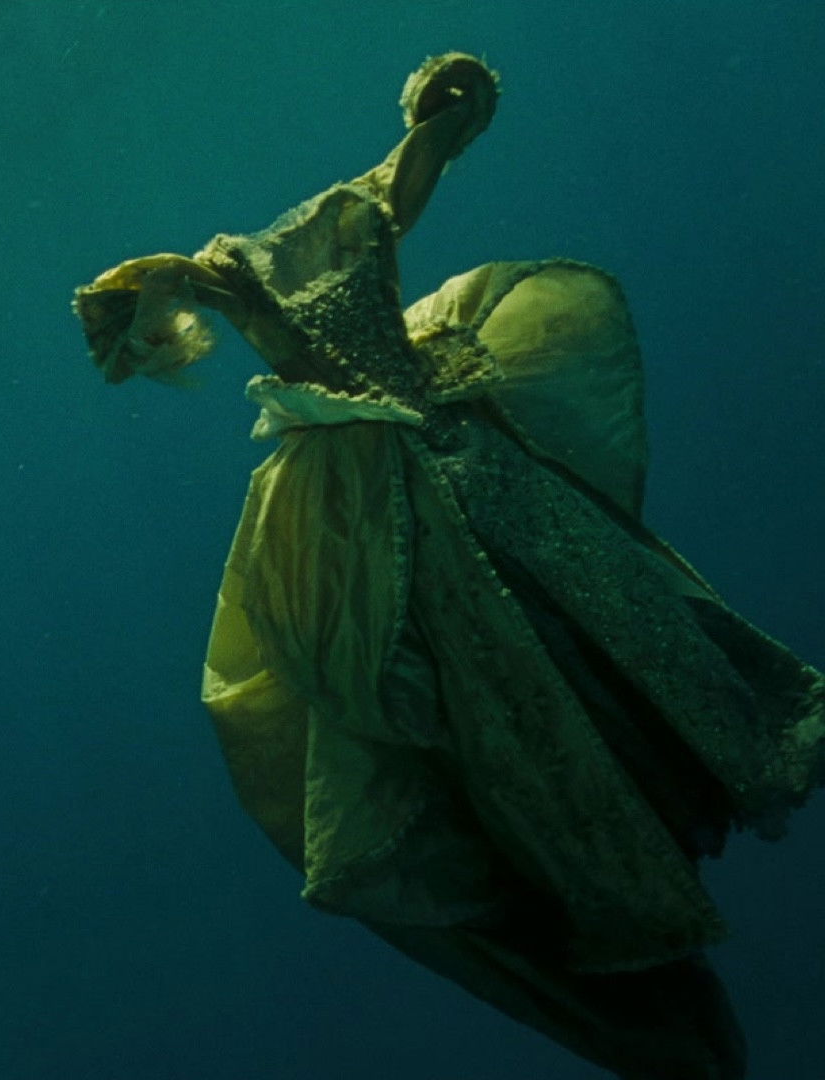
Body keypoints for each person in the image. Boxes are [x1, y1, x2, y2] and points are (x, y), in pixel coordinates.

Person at [73, 53, 825, 1080]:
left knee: (574, 612)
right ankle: (590, 833)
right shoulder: (317, 232)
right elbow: (412, 166)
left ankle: (629, 788)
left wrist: (142, 301)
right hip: (395, 466)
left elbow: (405, 170)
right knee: (501, 649)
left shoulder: (328, 225)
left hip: (435, 448)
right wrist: (445, 115)